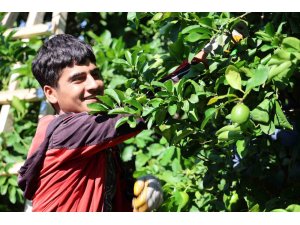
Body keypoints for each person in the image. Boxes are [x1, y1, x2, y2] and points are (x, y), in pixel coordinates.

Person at [17, 34, 163, 212]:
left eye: (95, 74)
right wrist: (195, 66)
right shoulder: (67, 131)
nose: (94, 84)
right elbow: (139, 114)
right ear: (50, 93)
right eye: (78, 79)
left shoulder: (99, 143)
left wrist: (138, 192)